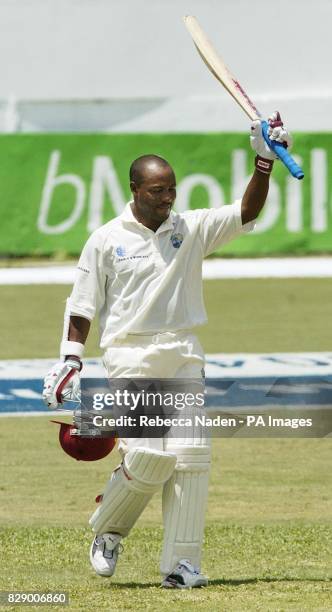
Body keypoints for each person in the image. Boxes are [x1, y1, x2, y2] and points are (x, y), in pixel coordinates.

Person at [43, 113, 292, 588]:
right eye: (158, 190)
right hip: (129, 357)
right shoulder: (107, 240)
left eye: (172, 188)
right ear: (135, 189)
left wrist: (264, 160)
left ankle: (182, 566)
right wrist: (70, 357)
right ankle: (108, 531)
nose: (169, 197)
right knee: (150, 460)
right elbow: (82, 305)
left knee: (191, 457)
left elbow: (246, 212)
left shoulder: (190, 229)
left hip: (182, 354)